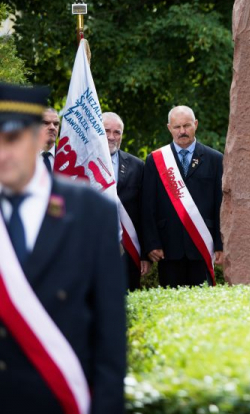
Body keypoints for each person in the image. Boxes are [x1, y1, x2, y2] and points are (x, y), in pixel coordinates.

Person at [0, 82, 126, 413]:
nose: (2, 153)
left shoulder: (91, 212)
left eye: (11, 139)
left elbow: (110, 343)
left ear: (35, 136)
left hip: (60, 401)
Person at [141, 105, 224, 287]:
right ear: (169, 128)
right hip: (168, 247)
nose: (182, 131)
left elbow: (221, 204)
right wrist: (151, 243)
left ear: (196, 124)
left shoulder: (215, 159)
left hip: (202, 243)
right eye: (177, 127)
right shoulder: (155, 160)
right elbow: (147, 206)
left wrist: (220, 244)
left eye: (186, 126)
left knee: (202, 306)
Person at [103, 111, 150, 290]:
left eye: (117, 132)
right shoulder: (82, 163)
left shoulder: (137, 166)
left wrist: (145, 253)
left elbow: (144, 211)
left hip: (127, 250)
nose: (111, 137)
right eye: (106, 131)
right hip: (91, 248)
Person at [40, 107, 59, 173]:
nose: (52, 127)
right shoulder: (23, 157)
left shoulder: (66, 159)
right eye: (46, 123)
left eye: (56, 124)